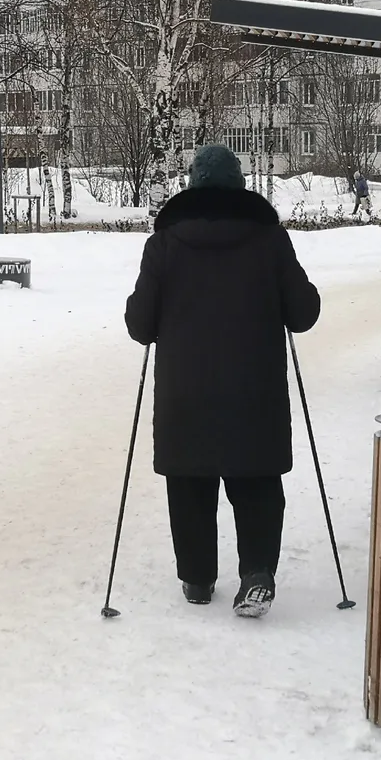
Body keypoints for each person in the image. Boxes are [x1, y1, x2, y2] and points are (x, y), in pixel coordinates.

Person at [124, 144, 321, 618]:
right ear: (240, 185)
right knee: (255, 481)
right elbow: (304, 314)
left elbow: (139, 325)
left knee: (189, 480)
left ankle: (196, 578)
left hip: (184, 395)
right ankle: (256, 573)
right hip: (255, 392)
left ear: (191, 185)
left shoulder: (164, 244)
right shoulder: (270, 240)